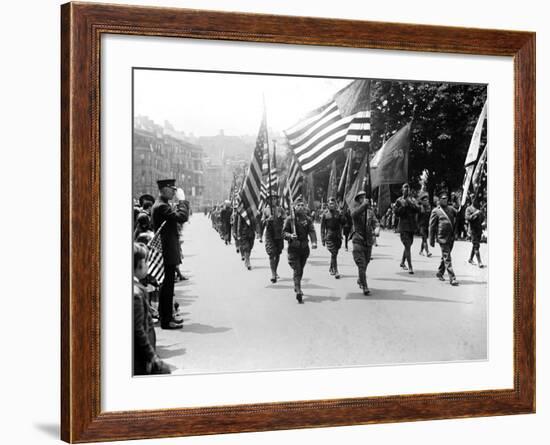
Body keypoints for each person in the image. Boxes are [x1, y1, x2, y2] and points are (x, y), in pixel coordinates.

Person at [151, 179, 190, 329]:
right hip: (166, 252)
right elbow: (182, 217)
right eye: (171, 189)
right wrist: (183, 201)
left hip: (167, 250)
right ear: (164, 189)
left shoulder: (163, 204)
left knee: (167, 287)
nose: (174, 191)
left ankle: (166, 316)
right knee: (167, 288)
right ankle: (166, 321)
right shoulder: (161, 206)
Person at [133, 242, 170, 375]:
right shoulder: (136, 294)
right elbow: (139, 331)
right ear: (137, 266)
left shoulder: (137, 288)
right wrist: (152, 356)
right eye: (145, 262)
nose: (147, 266)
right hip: (140, 356)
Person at [283, 198, 317, 303]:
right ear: (294, 207)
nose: (301, 207)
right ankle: (298, 290)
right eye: (298, 205)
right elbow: (283, 233)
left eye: (302, 205)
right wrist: (290, 235)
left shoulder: (308, 219)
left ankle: (296, 285)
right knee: (297, 269)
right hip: (293, 249)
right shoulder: (290, 219)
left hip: (304, 248)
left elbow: (311, 231)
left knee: (300, 269)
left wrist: (314, 242)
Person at [350, 191, 379, 295]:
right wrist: (363, 206)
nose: (364, 199)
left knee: (366, 262)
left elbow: (375, 221)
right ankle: (365, 286)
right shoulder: (356, 209)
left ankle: (360, 278)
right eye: (361, 198)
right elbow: (354, 215)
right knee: (361, 264)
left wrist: (377, 228)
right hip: (358, 239)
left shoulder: (370, 211)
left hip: (368, 241)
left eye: (364, 197)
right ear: (358, 200)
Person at [429, 191, 459, 286]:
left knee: (446, 256)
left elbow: (459, 212)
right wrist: (431, 240)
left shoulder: (451, 209)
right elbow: (432, 226)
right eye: (443, 198)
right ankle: (452, 278)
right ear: (439, 200)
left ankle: (440, 272)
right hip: (442, 237)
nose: (445, 200)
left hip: (451, 236)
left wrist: (458, 200)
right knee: (447, 257)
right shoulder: (436, 211)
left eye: (446, 198)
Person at [394, 183, 420, 274]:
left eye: (408, 189)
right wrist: (402, 207)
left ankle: (402, 262)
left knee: (409, 245)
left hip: (411, 226)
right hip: (403, 226)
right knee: (407, 246)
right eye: (405, 189)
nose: (406, 190)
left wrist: (410, 203)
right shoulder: (399, 200)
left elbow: (418, 209)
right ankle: (410, 266)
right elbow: (396, 213)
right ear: (402, 190)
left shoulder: (412, 200)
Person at [262, 194, 286, 283]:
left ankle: (275, 271)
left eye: (275, 199)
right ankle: (273, 274)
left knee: (278, 253)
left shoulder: (280, 209)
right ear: (268, 200)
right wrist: (268, 219)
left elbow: (285, 219)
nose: (273, 200)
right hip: (270, 234)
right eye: (271, 199)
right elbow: (262, 221)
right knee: (272, 254)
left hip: (279, 234)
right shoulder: (265, 210)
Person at [320, 197, 345, 279]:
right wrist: (323, 239)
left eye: (333, 203)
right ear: (328, 204)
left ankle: (331, 268)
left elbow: (343, 222)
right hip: (329, 236)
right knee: (334, 253)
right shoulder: (325, 214)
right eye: (330, 203)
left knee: (335, 253)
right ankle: (336, 270)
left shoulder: (338, 213)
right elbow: (322, 228)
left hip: (337, 236)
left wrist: (342, 215)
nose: (332, 205)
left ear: (335, 205)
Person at [465, 196, 486, 268]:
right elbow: (467, 218)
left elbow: (482, 219)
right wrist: (475, 214)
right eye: (473, 199)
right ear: (471, 200)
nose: (474, 200)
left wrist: (483, 220)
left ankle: (470, 259)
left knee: (476, 245)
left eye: (475, 199)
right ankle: (480, 262)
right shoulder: (468, 209)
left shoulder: (478, 209)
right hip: (472, 230)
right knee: (476, 246)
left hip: (479, 230)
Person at [418, 192, 432, 257]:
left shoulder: (429, 208)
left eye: (427, 200)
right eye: (425, 200)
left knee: (424, 239)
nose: (426, 201)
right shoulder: (420, 208)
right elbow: (416, 217)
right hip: (421, 226)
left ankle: (421, 251)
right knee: (424, 238)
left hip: (427, 226)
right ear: (422, 201)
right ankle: (427, 252)